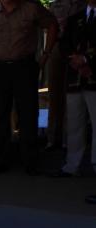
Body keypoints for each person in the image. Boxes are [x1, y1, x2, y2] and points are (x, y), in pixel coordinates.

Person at [0, 0, 58, 175]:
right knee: (0, 113)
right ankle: (0, 160)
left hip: (24, 66)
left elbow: (52, 25)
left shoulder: (31, 8)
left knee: (28, 113)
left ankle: (30, 161)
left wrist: (46, 54)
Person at [52, 0, 96, 178]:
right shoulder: (75, 18)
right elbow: (64, 44)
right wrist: (74, 60)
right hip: (75, 78)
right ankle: (72, 165)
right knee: (74, 123)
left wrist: (87, 60)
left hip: (93, 76)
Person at [46, 0, 86, 150]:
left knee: (71, 93)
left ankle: (67, 139)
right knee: (53, 95)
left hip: (76, 48)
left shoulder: (83, 5)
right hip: (56, 46)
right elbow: (48, 27)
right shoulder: (54, 5)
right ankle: (51, 138)